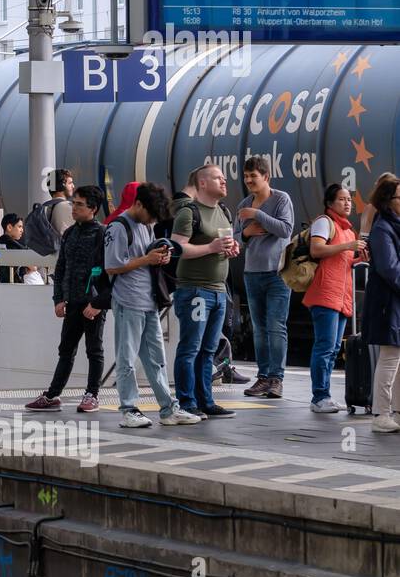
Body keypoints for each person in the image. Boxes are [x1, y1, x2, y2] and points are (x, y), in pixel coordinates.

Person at [103, 183, 201, 428]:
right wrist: (147, 259)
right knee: (126, 357)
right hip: (128, 300)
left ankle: (169, 409)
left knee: (156, 358)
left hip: (148, 300)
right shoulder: (118, 227)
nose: (152, 221)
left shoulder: (146, 226)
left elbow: (145, 255)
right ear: (138, 204)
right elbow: (112, 266)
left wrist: (160, 257)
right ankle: (129, 409)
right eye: (150, 214)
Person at [25, 185, 106, 414]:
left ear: (93, 208)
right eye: (74, 203)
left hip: (93, 304)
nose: (74, 208)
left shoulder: (102, 233)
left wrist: (99, 303)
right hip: (72, 303)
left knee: (94, 349)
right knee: (66, 349)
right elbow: (61, 268)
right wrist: (58, 299)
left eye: (79, 204)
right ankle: (52, 395)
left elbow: (108, 272)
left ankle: (92, 394)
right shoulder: (70, 233)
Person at [171, 164, 240, 418]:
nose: (224, 181)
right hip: (195, 290)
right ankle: (187, 402)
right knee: (191, 347)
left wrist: (230, 249)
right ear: (202, 183)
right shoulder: (188, 213)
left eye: (223, 178)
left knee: (209, 349)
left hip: (219, 291)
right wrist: (211, 247)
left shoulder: (224, 211)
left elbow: (223, 245)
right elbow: (177, 249)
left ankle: (205, 401)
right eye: (217, 178)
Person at [236, 156, 295, 399]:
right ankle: (263, 377)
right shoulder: (244, 204)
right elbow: (235, 240)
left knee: (276, 326)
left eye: (254, 176)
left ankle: (276, 378)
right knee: (259, 328)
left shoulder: (281, 199)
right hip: (252, 273)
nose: (249, 180)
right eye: (246, 176)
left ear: (266, 177)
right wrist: (247, 233)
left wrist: (258, 216)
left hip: (278, 273)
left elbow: (285, 229)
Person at [303, 184, 366, 414]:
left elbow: (342, 261)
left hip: (342, 296)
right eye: (341, 199)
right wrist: (349, 246)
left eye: (349, 199)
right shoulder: (324, 222)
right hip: (325, 293)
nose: (347, 203)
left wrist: (357, 258)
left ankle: (325, 395)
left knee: (332, 349)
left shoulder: (349, 230)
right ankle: (319, 396)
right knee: (324, 347)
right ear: (330, 203)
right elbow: (317, 250)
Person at [365, 175, 400, 432]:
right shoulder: (382, 228)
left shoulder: (394, 225)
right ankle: (380, 413)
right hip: (388, 302)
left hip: (396, 301)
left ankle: (396, 410)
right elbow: (389, 268)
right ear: (389, 201)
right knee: (389, 357)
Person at [0, 212, 30, 283]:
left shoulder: (1, 242)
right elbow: (32, 267)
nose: (22, 230)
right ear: (9, 227)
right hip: (13, 285)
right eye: (19, 226)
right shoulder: (10, 244)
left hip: (6, 284)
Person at [49, 168, 76, 237]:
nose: (73, 186)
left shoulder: (45, 207)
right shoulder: (66, 206)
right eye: (70, 183)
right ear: (62, 185)